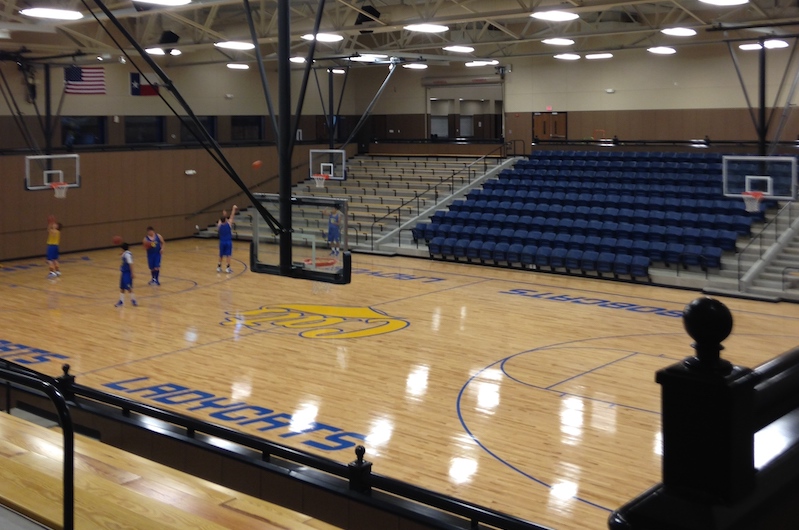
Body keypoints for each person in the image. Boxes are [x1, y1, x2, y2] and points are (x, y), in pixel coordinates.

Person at [115, 242, 137, 307]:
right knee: (122, 287)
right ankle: (121, 301)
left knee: (129, 287)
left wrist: (132, 273)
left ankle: (133, 300)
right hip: (123, 272)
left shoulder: (127, 255)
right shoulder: (125, 253)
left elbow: (131, 264)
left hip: (127, 273)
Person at [217, 204, 237, 273]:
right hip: (228, 242)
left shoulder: (219, 225)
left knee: (221, 254)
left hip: (221, 242)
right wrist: (233, 208)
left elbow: (221, 220)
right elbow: (232, 215)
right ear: (225, 219)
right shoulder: (228, 224)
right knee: (228, 255)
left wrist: (223, 215)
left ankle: (219, 267)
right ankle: (228, 268)